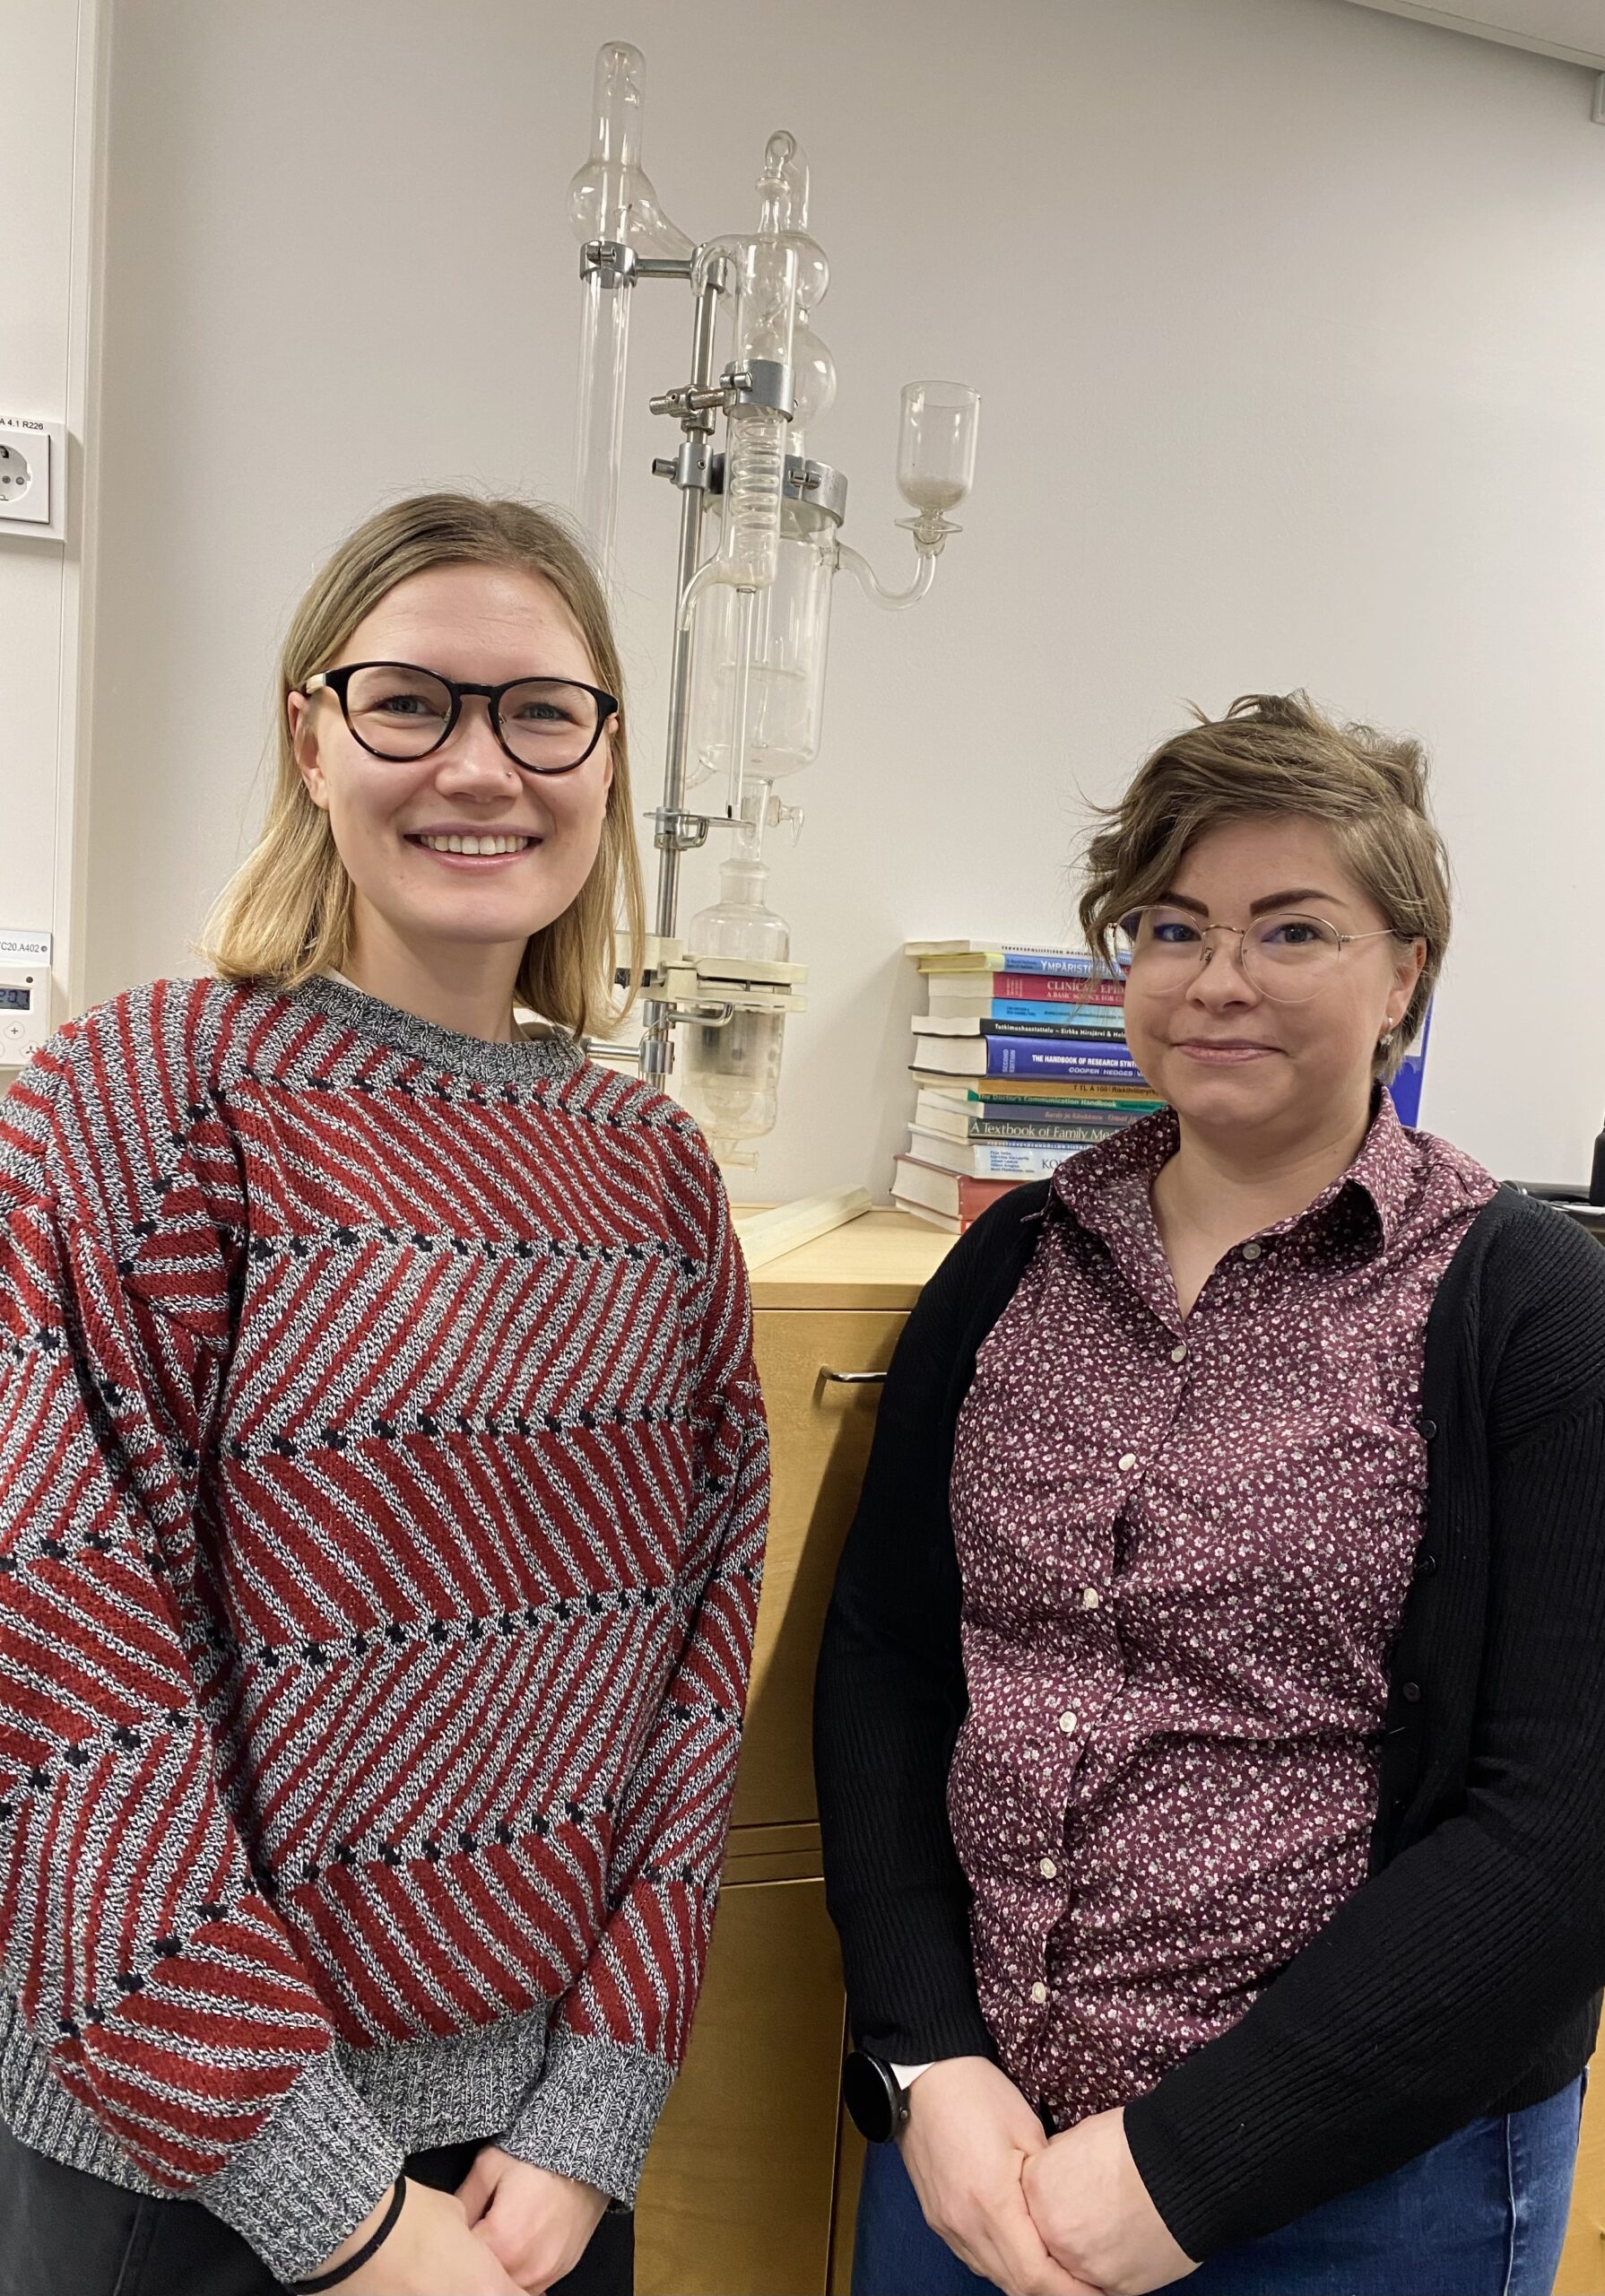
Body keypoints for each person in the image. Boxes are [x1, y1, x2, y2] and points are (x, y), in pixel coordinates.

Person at [0, 492, 769, 2296]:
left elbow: (701, 1658)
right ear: (312, 739)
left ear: (604, 759)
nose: (479, 767)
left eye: (541, 712)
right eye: (411, 701)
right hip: (182, 2168)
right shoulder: (137, 1105)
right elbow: (54, 1669)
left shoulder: (653, 1167)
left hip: (536, 2173)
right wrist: (327, 2197)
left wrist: (597, 2109)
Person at [815, 692, 1605, 2296]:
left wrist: (1189, 2166)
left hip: (1362, 2186)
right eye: (1172, 927)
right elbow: (889, 1659)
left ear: (1404, 973)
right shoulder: (1013, 1262)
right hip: (977, 2157)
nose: (1217, 978)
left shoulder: (1528, 1310)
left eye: (1290, 928)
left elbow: (1562, 1822)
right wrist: (923, 2051)